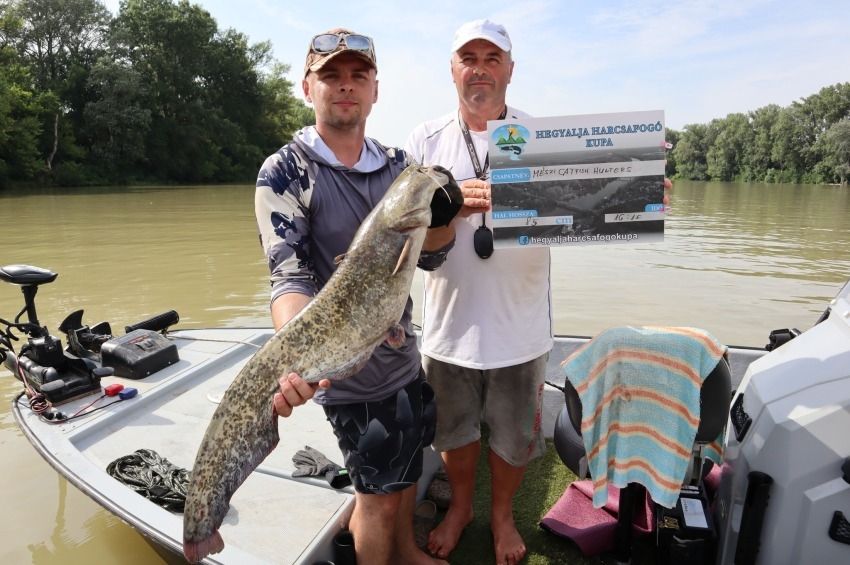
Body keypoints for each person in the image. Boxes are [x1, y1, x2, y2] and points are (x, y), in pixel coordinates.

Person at [254, 28, 450, 565]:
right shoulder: (286, 170)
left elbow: (430, 257)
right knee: (377, 500)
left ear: (374, 90)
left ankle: (407, 553)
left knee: (407, 469)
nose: (345, 87)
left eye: (357, 76)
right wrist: (296, 359)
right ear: (307, 87)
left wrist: (449, 219)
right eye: (331, 76)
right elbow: (288, 275)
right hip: (349, 375)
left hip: (402, 358)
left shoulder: (399, 166)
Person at [404, 19, 551, 565]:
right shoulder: (424, 140)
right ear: (452, 69)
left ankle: (501, 515)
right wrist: (454, 207)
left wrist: (637, 189)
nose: (481, 68)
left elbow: (587, 208)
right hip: (449, 323)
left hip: (522, 321)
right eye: (470, 58)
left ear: (510, 69)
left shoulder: (546, 136)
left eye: (493, 58)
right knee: (454, 429)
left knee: (514, 437)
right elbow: (414, 239)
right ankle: (462, 504)